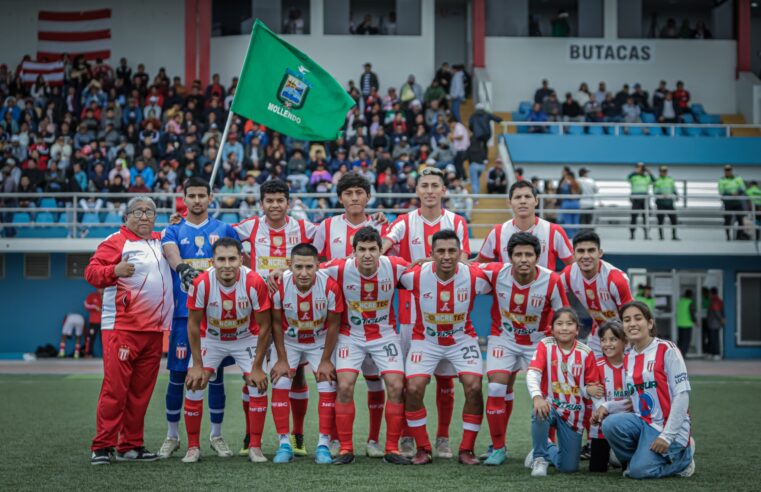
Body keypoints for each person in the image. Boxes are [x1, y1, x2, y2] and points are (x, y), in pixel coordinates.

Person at [382, 167, 471, 459]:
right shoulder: (404, 222)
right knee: (412, 382)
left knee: (446, 381)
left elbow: (465, 258)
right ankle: (408, 436)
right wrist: (402, 261)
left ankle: (443, 437)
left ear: (443, 190)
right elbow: (386, 244)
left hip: (446, 312)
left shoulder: (457, 222)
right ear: (417, 191)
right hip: (411, 315)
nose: (430, 190)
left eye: (435, 185)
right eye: (425, 186)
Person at [304, 173, 390, 458]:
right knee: (339, 381)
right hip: (337, 318)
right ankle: (338, 440)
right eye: (349, 193)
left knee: (376, 378)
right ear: (340, 198)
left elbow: (391, 264)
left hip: (375, 317)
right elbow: (310, 263)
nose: (354, 197)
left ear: (368, 196)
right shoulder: (326, 227)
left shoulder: (380, 224)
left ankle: (374, 440)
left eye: (359, 192)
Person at [85, 196, 173, 465]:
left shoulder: (161, 240)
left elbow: (176, 227)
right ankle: (102, 446)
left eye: (150, 212)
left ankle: (130, 446)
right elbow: (91, 273)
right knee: (116, 390)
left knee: (141, 392)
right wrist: (115, 269)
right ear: (126, 217)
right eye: (139, 211)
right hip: (122, 328)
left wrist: (177, 223)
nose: (145, 216)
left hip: (154, 331)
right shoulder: (115, 241)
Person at [158, 177, 241, 460]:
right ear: (183, 198)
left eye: (201, 195)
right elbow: (170, 252)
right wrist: (182, 267)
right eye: (190, 196)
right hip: (184, 316)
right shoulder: (172, 229)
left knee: (214, 378)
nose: (196, 200)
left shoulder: (225, 228)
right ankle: (172, 436)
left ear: (210, 197)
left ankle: (216, 436)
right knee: (179, 377)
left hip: (217, 318)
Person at [233, 179, 315, 455]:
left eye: (280, 200)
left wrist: (377, 223)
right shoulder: (250, 227)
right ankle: (249, 435)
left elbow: (332, 248)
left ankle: (298, 435)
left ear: (288, 202)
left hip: (293, 311)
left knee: (297, 373)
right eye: (270, 200)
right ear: (262, 203)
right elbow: (218, 234)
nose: (275, 205)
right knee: (251, 370)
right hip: (257, 311)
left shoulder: (305, 228)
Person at [399, 230, 491, 465]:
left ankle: (467, 450)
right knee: (413, 387)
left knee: (473, 387)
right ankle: (423, 448)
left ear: (461, 253)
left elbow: (504, 276)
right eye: (441, 251)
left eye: (452, 251)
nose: (447, 256)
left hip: (461, 339)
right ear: (431, 254)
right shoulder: (415, 275)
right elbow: (385, 273)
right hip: (426, 341)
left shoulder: (475, 276)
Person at [478, 233, 569, 466]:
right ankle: (498, 448)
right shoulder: (496, 272)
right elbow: (467, 268)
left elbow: (564, 316)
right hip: (504, 338)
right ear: (510, 257)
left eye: (529, 254)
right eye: (518, 254)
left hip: (537, 341)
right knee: (497, 387)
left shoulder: (552, 280)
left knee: (545, 394)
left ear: (538, 257)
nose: (523, 259)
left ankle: (546, 446)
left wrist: (556, 342)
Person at [321, 227, 410, 465]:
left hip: (385, 336)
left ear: (381, 251)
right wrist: (280, 272)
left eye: (373, 249)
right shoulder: (338, 268)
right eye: (362, 250)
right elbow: (306, 269)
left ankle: (392, 448)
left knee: (396, 386)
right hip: (352, 335)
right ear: (353, 252)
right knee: (345, 385)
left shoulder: (395, 266)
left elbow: (426, 270)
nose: (367, 254)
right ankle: (346, 449)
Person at [250, 243, 343, 464]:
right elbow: (275, 324)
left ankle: (323, 444)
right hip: (289, 341)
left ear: (318, 266)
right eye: (298, 267)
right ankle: (284, 443)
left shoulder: (330, 287)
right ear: (289, 266)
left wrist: (327, 360)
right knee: (280, 381)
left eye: (309, 267)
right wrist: (282, 359)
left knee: (327, 382)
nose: (303, 273)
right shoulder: (279, 288)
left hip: (319, 340)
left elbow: (333, 326)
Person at [183, 238, 272, 463]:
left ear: (241, 259)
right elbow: (193, 325)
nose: (227, 265)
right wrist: (196, 365)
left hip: (245, 338)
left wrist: (258, 366)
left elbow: (265, 327)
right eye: (221, 259)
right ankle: (193, 447)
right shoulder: (202, 283)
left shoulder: (254, 281)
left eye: (232, 259)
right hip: (211, 339)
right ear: (212, 261)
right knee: (194, 383)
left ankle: (255, 446)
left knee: (258, 384)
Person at [600, 302, 695, 479]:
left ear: (650, 323)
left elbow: (682, 395)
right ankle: (641, 458)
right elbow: (635, 399)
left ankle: (683, 460)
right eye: (626, 320)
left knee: (638, 472)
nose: (632, 323)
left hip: (668, 426)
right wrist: (607, 406)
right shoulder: (629, 356)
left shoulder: (667, 349)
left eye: (638, 318)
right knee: (609, 424)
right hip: (643, 422)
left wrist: (667, 436)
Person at [525, 308, 599, 476]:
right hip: (550, 406)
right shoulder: (546, 345)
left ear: (577, 329)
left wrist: (591, 393)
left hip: (573, 414)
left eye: (569, 324)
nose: (564, 328)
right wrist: (537, 397)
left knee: (569, 468)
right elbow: (533, 372)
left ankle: (547, 447)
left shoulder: (586, 353)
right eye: (559, 324)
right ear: (551, 328)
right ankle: (539, 459)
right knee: (539, 411)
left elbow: (593, 387)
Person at [561, 231, 633, 357]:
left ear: (600, 253)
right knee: (591, 373)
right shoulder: (568, 274)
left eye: (591, 250)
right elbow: (551, 294)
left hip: (622, 331)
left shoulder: (616, 279)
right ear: (574, 254)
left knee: (623, 374)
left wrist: (628, 340)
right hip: (598, 332)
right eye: (581, 251)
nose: (586, 256)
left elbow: (630, 316)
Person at [477, 181, 573, 269]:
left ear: (536, 201)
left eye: (527, 196)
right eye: (518, 197)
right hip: (508, 288)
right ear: (509, 203)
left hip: (544, 288)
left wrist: (559, 283)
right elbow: (478, 264)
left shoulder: (554, 231)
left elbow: (574, 266)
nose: (523, 201)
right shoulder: (497, 231)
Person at [588, 320, 631, 473]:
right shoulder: (596, 366)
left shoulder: (633, 364)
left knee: (631, 470)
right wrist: (587, 389)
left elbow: (635, 399)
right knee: (596, 470)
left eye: (613, 339)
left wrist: (607, 407)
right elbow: (594, 393)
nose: (607, 344)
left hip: (627, 429)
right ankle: (613, 456)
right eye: (603, 340)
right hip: (600, 429)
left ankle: (618, 456)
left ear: (625, 341)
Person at [718, 165, 748, 240]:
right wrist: (731, 194)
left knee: (741, 221)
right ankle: (728, 236)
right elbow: (721, 191)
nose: (728, 171)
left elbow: (743, 188)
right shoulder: (722, 180)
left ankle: (739, 237)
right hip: (728, 203)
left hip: (737, 203)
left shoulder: (738, 178)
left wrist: (737, 192)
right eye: (726, 170)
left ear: (731, 170)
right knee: (727, 221)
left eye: (729, 170)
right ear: (724, 171)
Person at [628, 163, 654, 240]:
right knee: (633, 217)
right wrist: (635, 171)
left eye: (641, 168)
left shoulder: (647, 177)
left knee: (646, 217)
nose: (640, 169)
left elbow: (654, 180)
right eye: (638, 168)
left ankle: (646, 235)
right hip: (636, 198)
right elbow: (628, 177)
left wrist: (649, 172)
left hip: (645, 199)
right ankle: (632, 235)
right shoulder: (634, 176)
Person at [653, 166, 679, 240]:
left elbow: (673, 189)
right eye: (662, 171)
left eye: (665, 171)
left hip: (669, 203)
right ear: (660, 172)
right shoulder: (657, 180)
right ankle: (661, 237)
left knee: (674, 220)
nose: (663, 172)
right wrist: (661, 194)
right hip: (660, 203)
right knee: (660, 220)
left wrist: (677, 195)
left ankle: (674, 236)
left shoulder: (670, 180)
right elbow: (655, 191)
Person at [557, 167, 581, 238]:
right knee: (576, 221)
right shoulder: (577, 183)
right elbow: (579, 193)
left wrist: (565, 181)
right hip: (576, 203)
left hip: (566, 203)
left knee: (568, 221)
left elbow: (561, 189)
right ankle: (576, 235)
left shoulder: (565, 183)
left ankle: (570, 236)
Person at [676, 290, 697, 356]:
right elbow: (692, 313)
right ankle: (683, 354)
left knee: (680, 339)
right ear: (690, 295)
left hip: (680, 323)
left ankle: (678, 353)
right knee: (686, 340)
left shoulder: (680, 302)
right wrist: (695, 321)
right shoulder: (690, 302)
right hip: (687, 324)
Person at [83, 289, 104, 357]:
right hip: (94, 321)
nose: (101, 289)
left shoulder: (107, 296)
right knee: (90, 338)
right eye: (99, 288)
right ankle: (88, 353)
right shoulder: (92, 295)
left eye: (102, 288)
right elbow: (86, 305)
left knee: (104, 339)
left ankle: (106, 355)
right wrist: (95, 307)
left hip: (105, 322)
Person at [706, 287, 724, 360]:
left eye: (710, 293)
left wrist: (721, 319)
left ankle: (716, 354)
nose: (709, 294)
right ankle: (711, 353)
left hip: (714, 324)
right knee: (712, 339)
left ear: (712, 293)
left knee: (714, 339)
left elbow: (716, 311)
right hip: (714, 323)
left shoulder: (715, 301)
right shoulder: (715, 300)